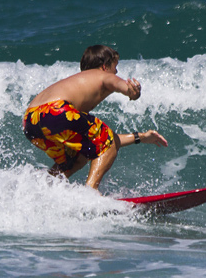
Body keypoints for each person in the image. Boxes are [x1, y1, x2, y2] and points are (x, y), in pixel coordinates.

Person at [23, 45, 167, 191]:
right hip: (57, 110)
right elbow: (118, 83)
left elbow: (105, 140)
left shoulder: (74, 83)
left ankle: (43, 191)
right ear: (105, 66)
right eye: (115, 66)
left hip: (31, 120)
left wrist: (140, 137)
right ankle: (91, 193)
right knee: (104, 142)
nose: (116, 71)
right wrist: (132, 92)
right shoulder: (103, 75)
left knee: (76, 158)